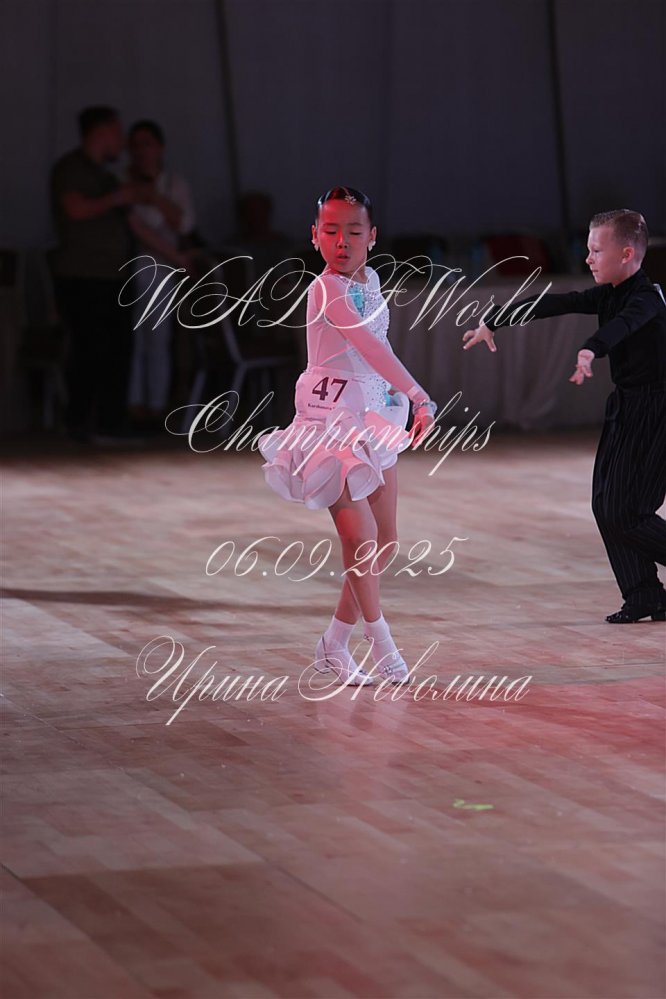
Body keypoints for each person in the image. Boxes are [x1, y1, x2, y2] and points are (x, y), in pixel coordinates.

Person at [258, 186, 436, 685]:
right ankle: (382, 643)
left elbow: (378, 349)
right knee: (361, 536)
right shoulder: (324, 289)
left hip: (371, 417)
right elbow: (366, 345)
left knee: (386, 541)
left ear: (372, 236)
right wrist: (419, 394)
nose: (342, 242)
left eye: (353, 231)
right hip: (328, 421)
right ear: (314, 236)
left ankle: (333, 644)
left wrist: (395, 398)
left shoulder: (373, 279)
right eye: (331, 231)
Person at [463, 209, 666, 624]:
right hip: (627, 405)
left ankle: (646, 593)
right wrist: (494, 320)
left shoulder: (648, 297)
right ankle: (645, 595)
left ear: (627, 253)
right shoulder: (607, 293)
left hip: (658, 409)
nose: (587, 258)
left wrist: (591, 349)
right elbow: (554, 302)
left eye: (596, 250)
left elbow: (624, 326)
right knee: (605, 505)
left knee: (628, 512)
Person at [125, 119, 196, 428]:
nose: (141, 151)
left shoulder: (173, 184)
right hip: (135, 268)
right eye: (136, 145)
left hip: (162, 271)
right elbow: (136, 228)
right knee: (135, 339)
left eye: (147, 144)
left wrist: (153, 196)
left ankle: (155, 405)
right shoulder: (124, 183)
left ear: (160, 148)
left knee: (159, 337)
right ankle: (134, 403)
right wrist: (177, 257)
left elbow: (184, 222)